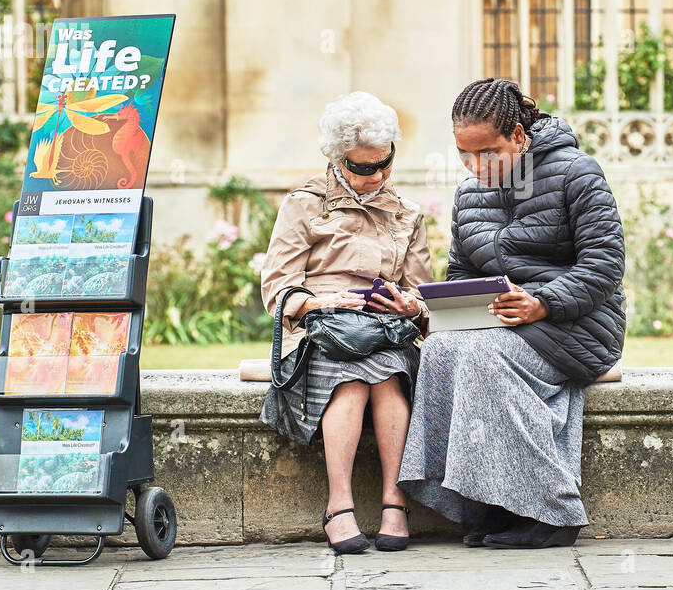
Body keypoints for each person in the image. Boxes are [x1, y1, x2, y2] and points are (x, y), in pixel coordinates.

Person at [398, 78, 626, 549]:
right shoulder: (469, 195)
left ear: (519, 137)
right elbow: (461, 270)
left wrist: (543, 302)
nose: (474, 166)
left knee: (484, 355)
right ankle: (483, 503)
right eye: (464, 154)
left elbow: (604, 264)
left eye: (486, 153)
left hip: (577, 325)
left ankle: (552, 513)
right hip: (500, 321)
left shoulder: (577, 174)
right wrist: (440, 309)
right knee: (440, 350)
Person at [258, 91, 430, 554]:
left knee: (390, 375)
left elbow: (423, 293)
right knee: (353, 380)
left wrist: (408, 306)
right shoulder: (305, 204)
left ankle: (395, 500)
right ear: (337, 160)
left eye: (385, 163)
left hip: (385, 331)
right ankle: (339, 506)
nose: (377, 175)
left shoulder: (408, 213)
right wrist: (324, 302)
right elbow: (277, 289)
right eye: (363, 167)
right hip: (323, 333)